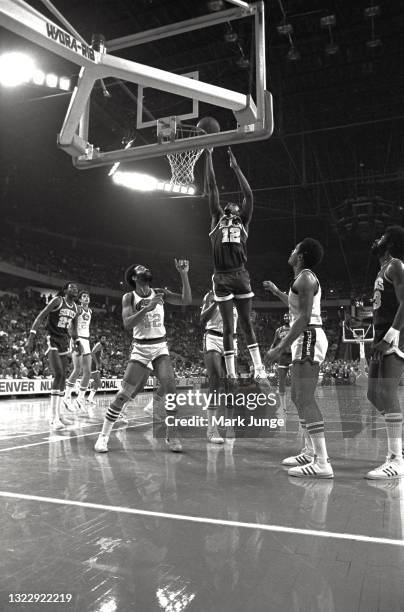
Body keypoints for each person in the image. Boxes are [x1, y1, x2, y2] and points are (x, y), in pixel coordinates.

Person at [94, 259, 192, 453]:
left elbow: (186, 300)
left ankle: (172, 435)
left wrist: (183, 274)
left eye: (147, 268)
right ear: (134, 277)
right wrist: (147, 307)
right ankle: (103, 437)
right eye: (142, 269)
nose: (147, 270)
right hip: (140, 348)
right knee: (124, 394)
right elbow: (128, 324)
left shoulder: (161, 293)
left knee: (171, 389)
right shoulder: (128, 297)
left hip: (159, 347)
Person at [264, 238, 333, 478]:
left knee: (305, 398)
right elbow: (296, 307)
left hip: (308, 335)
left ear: (301, 255)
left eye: (295, 249)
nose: (291, 250)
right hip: (306, 336)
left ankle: (322, 462)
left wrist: (279, 347)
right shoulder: (301, 279)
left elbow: (303, 318)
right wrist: (276, 292)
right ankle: (309, 451)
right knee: (297, 396)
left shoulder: (305, 278)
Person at [205, 147, 268, 388]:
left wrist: (235, 168)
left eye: (235, 204)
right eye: (228, 204)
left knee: (246, 324)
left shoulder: (243, 220)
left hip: (240, 274)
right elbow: (211, 188)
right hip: (221, 277)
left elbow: (250, 196)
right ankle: (231, 374)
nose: (231, 204)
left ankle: (259, 369)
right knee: (229, 328)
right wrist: (209, 155)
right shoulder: (216, 217)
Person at [366, 226, 404, 479]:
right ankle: (399, 444)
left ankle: (396, 459)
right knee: (373, 394)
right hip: (380, 335)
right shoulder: (383, 268)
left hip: (395, 335)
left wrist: (390, 336)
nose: (376, 238)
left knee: (387, 393)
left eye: (381, 236)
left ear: (389, 243)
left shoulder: (396, 265)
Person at [26, 282, 80, 430]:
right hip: (51, 338)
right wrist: (32, 335)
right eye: (71, 287)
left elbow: (74, 329)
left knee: (64, 376)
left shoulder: (76, 308)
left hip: (64, 340)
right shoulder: (57, 301)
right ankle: (52, 417)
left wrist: (77, 341)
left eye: (76, 288)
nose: (75, 289)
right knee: (59, 374)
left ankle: (60, 414)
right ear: (65, 290)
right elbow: (41, 316)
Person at [200, 289, 238, 443]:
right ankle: (211, 429)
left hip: (231, 340)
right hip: (213, 337)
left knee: (232, 384)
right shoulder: (209, 295)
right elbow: (202, 319)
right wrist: (215, 301)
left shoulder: (236, 297)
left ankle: (229, 425)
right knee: (215, 381)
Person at [63, 290, 93, 412]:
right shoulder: (78, 309)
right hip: (77, 339)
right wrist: (75, 340)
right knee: (77, 369)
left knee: (88, 372)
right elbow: (71, 326)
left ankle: (80, 399)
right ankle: (66, 397)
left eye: (87, 296)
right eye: (84, 297)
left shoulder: (90, 311)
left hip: (86, 340)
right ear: (79, 299)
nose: (86, 298)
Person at [269, 313, 292, 413]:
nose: (286, 318)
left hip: (293, 356)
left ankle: (300, 405)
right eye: (284, 316)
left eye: (287, 316)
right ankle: (283, 407)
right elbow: (274, 342)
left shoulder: (295, 328)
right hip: (282, 357)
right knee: (281, 382)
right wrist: (270, 352)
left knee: (296, 380)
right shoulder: (279, 330)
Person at [87, 335, 107, 404]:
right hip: (94, 364)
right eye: (103, 338)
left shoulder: (101, 346)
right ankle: (88, 396)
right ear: (100, 339)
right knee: (98, 383)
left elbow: (98, 356)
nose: (104, 339)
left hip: (97, 364)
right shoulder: (98, 344)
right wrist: (97, 363)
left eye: (105, 338)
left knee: (97, 383)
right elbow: (92, 353)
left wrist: (100, 362)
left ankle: (90, 398)